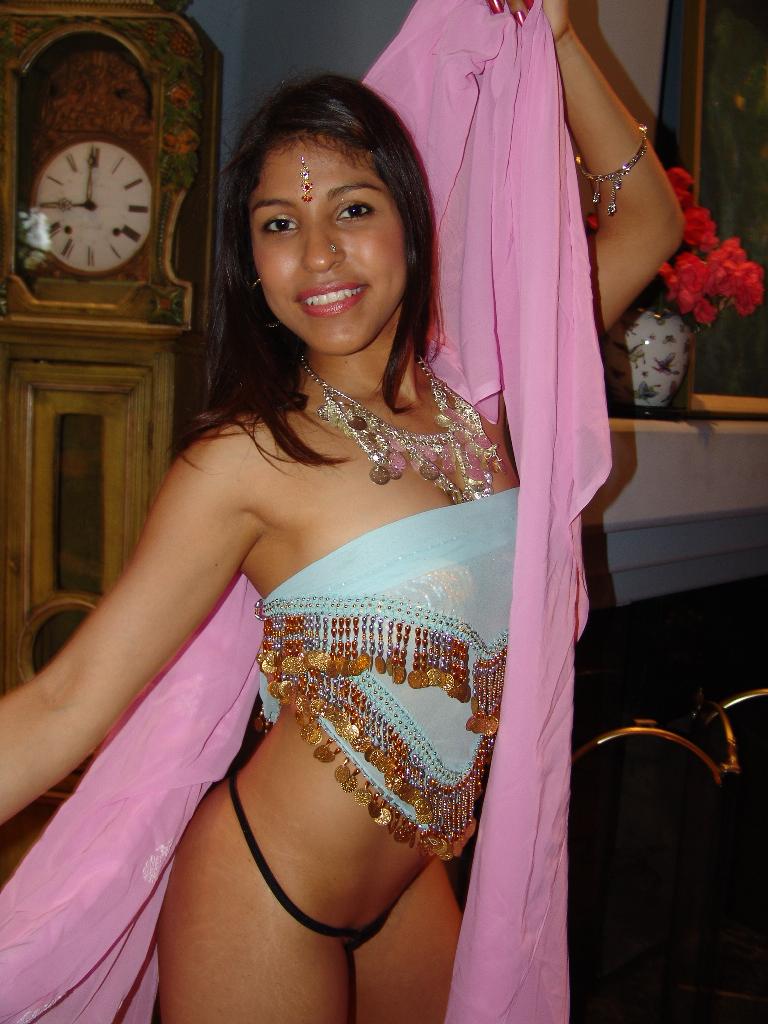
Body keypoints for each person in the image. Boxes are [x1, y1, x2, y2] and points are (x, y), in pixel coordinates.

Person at [0, 1, 683, 1022]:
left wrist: (560, 36)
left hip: (413, 885)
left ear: (412, 219)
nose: (317, 255)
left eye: (353, 209)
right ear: (251, 260)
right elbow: (63, 703)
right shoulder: (245, 458)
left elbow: (651, 226)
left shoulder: (484, 393)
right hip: (265, 895)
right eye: (279, 225)